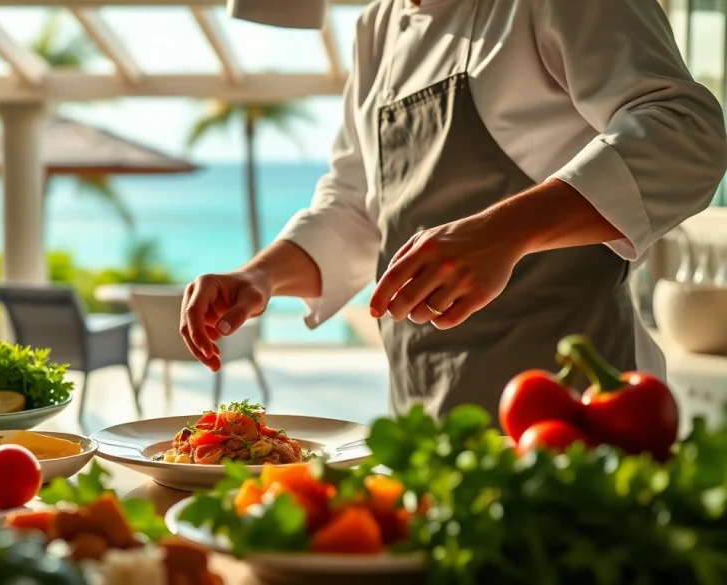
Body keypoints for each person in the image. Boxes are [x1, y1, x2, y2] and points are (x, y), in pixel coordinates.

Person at [179, 0, 727, 422]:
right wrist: (259, 275)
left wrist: (505, 232)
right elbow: (358, 207)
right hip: (428, 420)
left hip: (578, 416)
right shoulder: (379, 27)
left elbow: (687, 134)